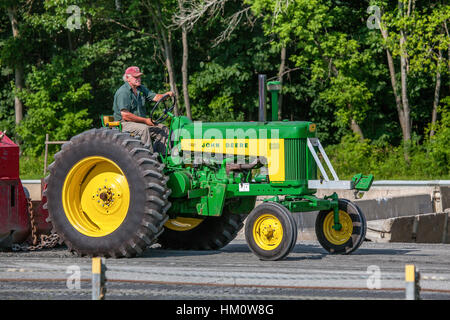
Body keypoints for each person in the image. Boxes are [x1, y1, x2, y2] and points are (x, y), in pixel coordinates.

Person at [113, 66, 174, 155]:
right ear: (127, 78)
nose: (138, 79)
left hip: (139, 122)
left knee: (163, 128)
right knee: (144, 129)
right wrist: (145, 120)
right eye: (136, 77)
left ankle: (164, 158)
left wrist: (166, 95)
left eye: (139, 76)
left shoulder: (140, 88)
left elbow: (156, 97)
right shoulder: (123, 92)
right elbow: (125, 115)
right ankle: (148, 158)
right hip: (123, 123)